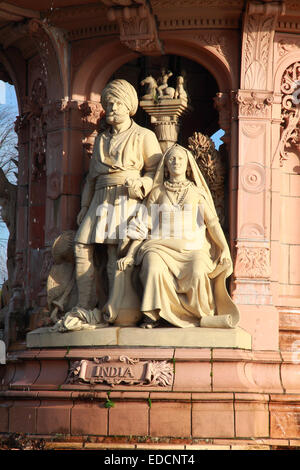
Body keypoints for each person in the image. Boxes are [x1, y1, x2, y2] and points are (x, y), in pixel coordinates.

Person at [62, 79, 163, 324]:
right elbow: (91, 179)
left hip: (126, 198)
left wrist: (143, 184)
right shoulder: (101, 140)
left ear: (129, 106)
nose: (112, 107)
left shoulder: (144, 135)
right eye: (108, 103)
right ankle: (83, 305)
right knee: (80, 246)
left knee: (113, 253)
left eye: (117, 102)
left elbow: (156, 170)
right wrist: (85, 207)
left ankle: (114, 308)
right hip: (100, 198)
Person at [116, 144, 240, 329]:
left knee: (198, 269)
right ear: (165, 166)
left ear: (188, 165)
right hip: (159, 246)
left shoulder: (196, 192)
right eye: (171, 159)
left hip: (192, 248)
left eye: (180, 159)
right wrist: (130, 254)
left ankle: (200, 314)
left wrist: (223, 249)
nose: (176, 162)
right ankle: (153, 315)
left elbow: (212, 223)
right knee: (152, 266)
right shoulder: (157, 192)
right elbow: (144, 225)